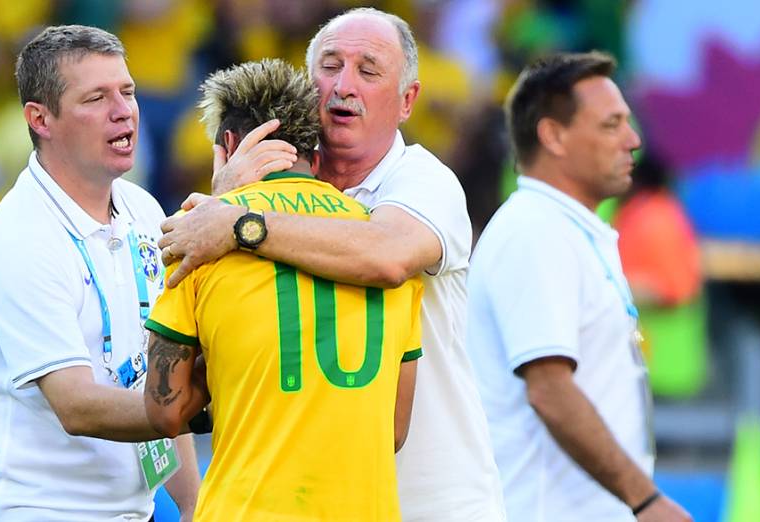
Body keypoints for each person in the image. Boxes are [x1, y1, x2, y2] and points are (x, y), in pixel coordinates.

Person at [157, 8, 506, 521]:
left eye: (368, 71)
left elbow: (385, 255)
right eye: (330, 65)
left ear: (407, 101)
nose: (344, 85)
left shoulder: (425, 181)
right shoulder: (278, 202)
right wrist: (231, 198)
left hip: (437, 504)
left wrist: (238, 222)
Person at [142, 58, 423, 520]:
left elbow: (163, 413)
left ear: (227, 145)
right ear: (315, 156)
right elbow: (393, 429)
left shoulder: (202, 237)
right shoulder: (382, 243)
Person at [0, 25, 198, 522]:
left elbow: (154, 381)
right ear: (40, 119)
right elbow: (77, 406)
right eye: (96, 97)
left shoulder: (143, 211)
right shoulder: (20, 239)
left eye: (127, 91)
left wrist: (196, 505)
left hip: (129, 512)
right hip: (31, 511)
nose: (123, 109)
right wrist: (198, 402)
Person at [465, 51, 693, 521]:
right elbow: (549, 389)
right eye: (611, 125)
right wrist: (645, 500)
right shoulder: (536, 231)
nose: (633, 141)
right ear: (553, 135)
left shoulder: (566, 229)